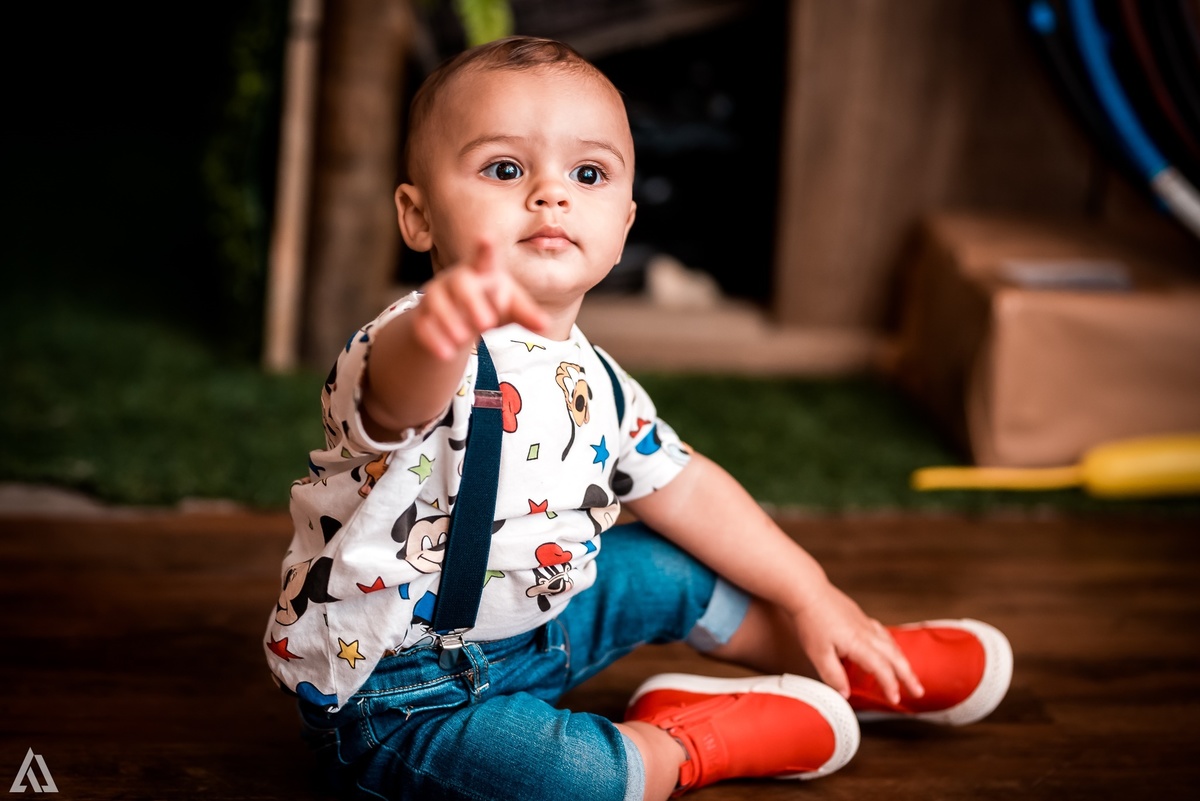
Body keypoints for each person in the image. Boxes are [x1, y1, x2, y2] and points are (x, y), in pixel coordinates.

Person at [263, 35, 1012, 801]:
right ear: (418, 217)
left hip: (536, 632)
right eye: (505, 168)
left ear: (621, 226)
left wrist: (812, 591)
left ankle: (846, 661)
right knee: (576, 780)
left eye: (586, 173)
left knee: (671, 561)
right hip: (400, 698)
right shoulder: (406, 340)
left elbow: (685, 487)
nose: (549, 194)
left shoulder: (602, 383)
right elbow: (395, 402)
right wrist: (441, 333)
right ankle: (673, 742)